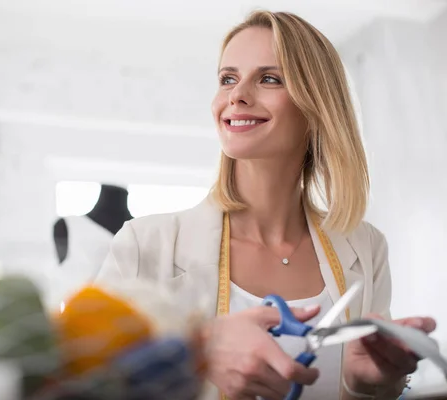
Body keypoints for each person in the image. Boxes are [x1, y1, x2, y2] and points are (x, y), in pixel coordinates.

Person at [95, 10, 436, 400]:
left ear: (316, 106)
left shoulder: (367, 248)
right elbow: (82, 382)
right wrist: (199, 355)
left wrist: (377, 384)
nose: (236, 95)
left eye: (269, 78)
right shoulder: (143, 245)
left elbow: (373, 390)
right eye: (227, 79)